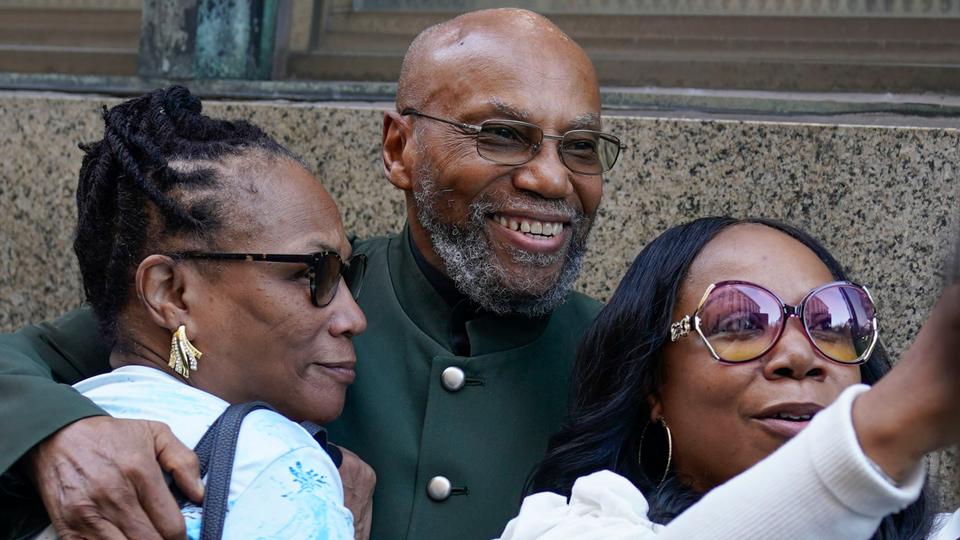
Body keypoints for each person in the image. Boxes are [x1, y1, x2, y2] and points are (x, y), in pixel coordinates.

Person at [0, 9, 617, 540]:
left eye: (582, 146)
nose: (552, 178)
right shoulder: (291, 289)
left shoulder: (626, 352)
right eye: (503, 135)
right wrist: (61, 435)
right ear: (400, 149)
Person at [7, 86, 372, 538]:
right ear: (172, 294)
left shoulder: (37, 443)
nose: (354, 319)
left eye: (347, 274)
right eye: (311, 274)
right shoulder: (274, 467)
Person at [498, 217, 960, 539]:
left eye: (831, 323)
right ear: (652, 386)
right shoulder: (564, 527)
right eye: (740, 324)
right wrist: (880, 435)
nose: (800, 356)